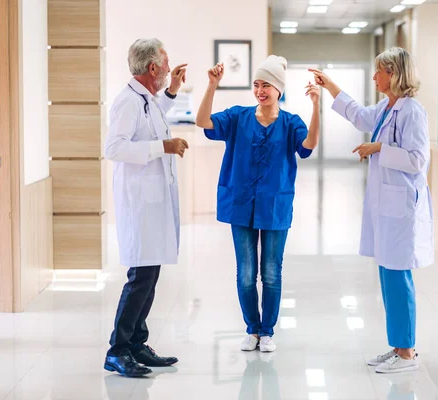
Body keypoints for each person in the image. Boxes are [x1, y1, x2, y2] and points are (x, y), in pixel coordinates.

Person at [310, 47, 433, 373]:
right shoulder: (387, 107)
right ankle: (398, 346)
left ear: (393, 74)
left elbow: (417, 160)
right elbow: (358, 114)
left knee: (398, 278)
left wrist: (379, 148)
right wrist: (329, 85)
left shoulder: (412, 112)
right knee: (388, 277)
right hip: (387, 208)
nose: (375, 76)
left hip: (403, 209)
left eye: (379, 71)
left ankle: (407, 354)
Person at [196, 55, 320, 353]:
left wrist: (317, 106)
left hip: (274, 206)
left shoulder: (291, 123)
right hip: (241, 204)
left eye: (266, 85)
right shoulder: (238, 117)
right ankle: (252, 329)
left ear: (279, 89)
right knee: (246, 272)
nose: (260, 90)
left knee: (272, 272)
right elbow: (203, 122)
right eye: (256, 84)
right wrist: (212, 86)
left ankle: (267, 332)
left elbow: (308, 146)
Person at [103, 38, 189, 377]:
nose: (169, 69)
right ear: (152, 68)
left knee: (150, 277)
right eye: (166, 65)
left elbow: (153, 119)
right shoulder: (127, 101)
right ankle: (118, 349)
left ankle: (137, 343)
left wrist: (173, 91)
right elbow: (115, 147)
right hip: (139, 204)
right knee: (140, 278)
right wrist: (163, 146)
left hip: (151, 203)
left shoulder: (146, 100)